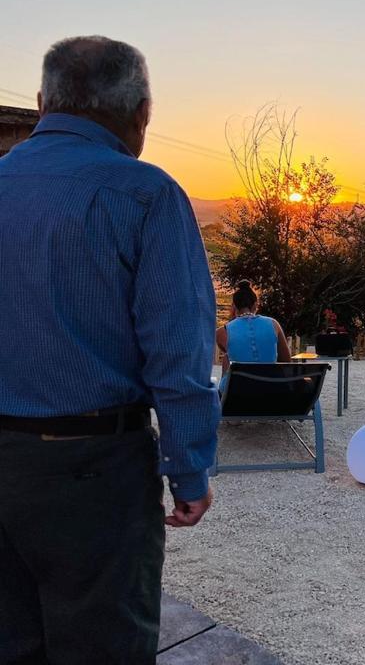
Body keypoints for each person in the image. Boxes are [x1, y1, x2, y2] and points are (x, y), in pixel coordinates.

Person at [0, 36, 220, 663]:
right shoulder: (145, 195)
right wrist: (189, 468)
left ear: (42, 102)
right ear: (142, 112)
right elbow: (177, 354)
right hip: (92, 471)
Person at [215, 281, 291, 374]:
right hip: (271, 385)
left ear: (234, 306)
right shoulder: (274, 324)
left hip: (239, 386)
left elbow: (236, 351)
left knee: (227, 357)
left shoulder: (222, 332)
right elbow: (286, 361)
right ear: (255, 305)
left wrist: (232, 318)